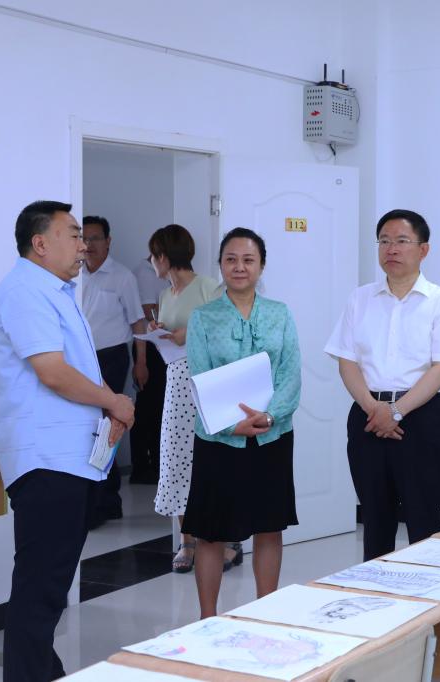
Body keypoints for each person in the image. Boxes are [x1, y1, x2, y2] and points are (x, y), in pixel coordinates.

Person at [0, 201, 134, 681]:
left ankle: (42, 672)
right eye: (72, 235)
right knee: (40, 588)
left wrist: (106, 407)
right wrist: (113, 400)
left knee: (48, 588)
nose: (82, 245)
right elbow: (52, 372)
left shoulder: (55, 291)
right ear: (40, 243)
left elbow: (73, 368)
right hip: (47, 461)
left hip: (68, 459)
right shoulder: (25, 291)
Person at [325, 209, 440, 561]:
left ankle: (426, 593)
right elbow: (347, 362)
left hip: (422, 418)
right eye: (384, 241)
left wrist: (397, 412)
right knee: (374, 520)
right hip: (368, 417)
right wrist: (374, 409)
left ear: (423, 249)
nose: (392, 248)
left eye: (402, 241)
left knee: (423, 520)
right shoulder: (359, 299)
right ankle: (376, 592)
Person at [184, 227, 301, 618]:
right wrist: (229, 425)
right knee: (211, 530)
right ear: (220, 264)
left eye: (248, 260)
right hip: (219, 440)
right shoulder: (203, 317)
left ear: (261, 266)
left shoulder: (280, 314)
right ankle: (207, 619)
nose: (239, 267)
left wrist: (269, 415)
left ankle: (266, 612)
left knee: (269, 526)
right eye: (231, 259)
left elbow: (290, 374)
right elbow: (199, 377)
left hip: (271, 436)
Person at [147, 224, 229, 573]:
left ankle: (224, 539)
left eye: (153, 255)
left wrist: (189, 333)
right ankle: (187, 539)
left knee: (212, 459)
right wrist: (158, 333)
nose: (151, 262)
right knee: (177, 457)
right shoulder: (165, 295)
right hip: (176, 381)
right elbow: (171, 335)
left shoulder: (208, 287)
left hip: (207, 380)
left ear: (165, 256)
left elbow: (228, 329)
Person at [81, 215, 148, 527]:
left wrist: (141, 361)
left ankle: (107, 500)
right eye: (84, 238)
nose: (89, 244)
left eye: (95, 238)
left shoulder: (122, 277)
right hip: (82, 360)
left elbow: (137, 323)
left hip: (112, 357)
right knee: (87, 426)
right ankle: (97, 499)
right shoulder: (74, 274)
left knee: (108, 425)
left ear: (108, 241)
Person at [129, 254, 170, 484]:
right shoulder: (145, 273)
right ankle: (142, 467)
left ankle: (156, 464)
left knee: (157, 410)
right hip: (148, 347)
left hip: (161, 347)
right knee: (146, 410)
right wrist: (141, 361)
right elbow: (147, 313)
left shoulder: (163, 275)